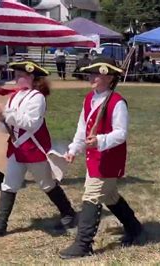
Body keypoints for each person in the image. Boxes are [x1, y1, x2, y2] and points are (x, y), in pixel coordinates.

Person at [0, 60, 76, 239]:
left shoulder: (37, 97)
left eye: (20, 75)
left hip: (33, 149)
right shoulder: (15, 97)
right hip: (17, 148)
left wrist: (7, 115)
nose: (16, 78)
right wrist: (1, 119)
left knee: (46, 184)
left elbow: (31, 123)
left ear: (32, 77)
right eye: (16, 74)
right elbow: (7, 126)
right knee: (9, 184)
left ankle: (69, 213)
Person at [59, 57, 143, 259]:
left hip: (108, 158)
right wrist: (73, 149)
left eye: (97, 73)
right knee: (110, 196)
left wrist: (100, 140)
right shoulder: (89, 98)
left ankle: (83, 244)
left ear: (109, 77)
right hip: (94, 156)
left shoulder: (117, 102)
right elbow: (82, 128)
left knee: (92, 196)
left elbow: (121, 133)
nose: (92, 77)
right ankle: (134, 228)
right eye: (91, 73)